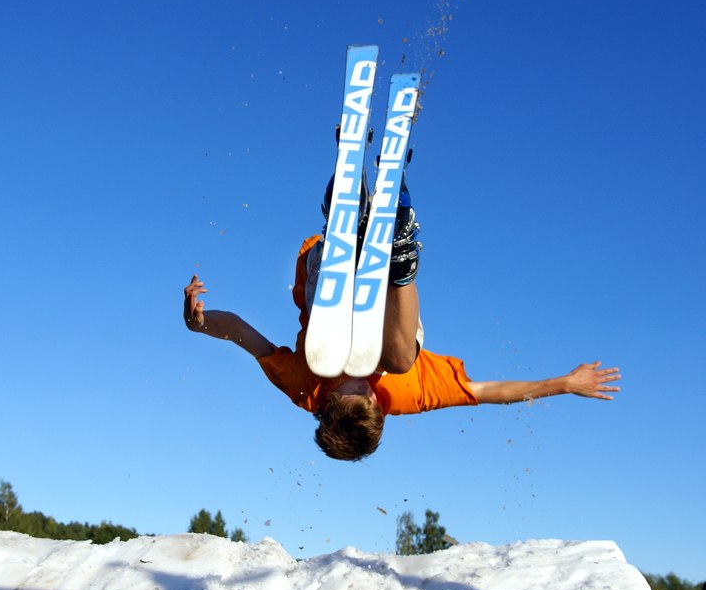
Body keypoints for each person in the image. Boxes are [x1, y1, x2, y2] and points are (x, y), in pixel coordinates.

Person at [183, 179, 620, 461]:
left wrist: (199, 324)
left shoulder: (303, 386)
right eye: (377, 402)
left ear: (329, 404)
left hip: (321, 271)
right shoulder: (406, 394)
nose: (372, 392)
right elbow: (487, 392)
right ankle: (401, 254)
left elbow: (241, 333)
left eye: (359, 395)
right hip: (385, 298)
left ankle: (343, 231)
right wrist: (565, 384)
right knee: (398, 361)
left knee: (325, 356)